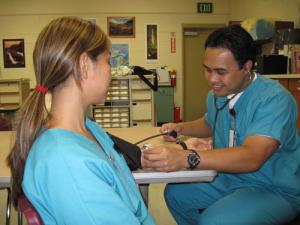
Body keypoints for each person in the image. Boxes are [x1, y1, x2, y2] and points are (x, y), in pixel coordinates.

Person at [142, 25, 300, 225]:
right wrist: (181, 127)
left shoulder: (274, 99)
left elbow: (253, 157)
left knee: (214, 220)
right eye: (207, 70)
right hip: (231, 177)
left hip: (272, 187)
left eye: (221, 72)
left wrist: (185, 157)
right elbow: (211, 122)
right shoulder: (219, 94)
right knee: (176, 195)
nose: (212, 79)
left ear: (247, 66)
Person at [7, 17, 155, 225]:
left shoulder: (88, 129)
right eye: (108, 61)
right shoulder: (68, 164)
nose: (110, 71)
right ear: (84, 65)